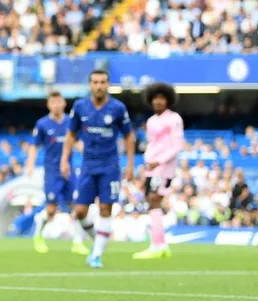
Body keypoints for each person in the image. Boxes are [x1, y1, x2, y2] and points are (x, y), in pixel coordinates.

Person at [61, 70, 136, 269]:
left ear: (108, 84)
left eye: (103, 82)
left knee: (105, 208)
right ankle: (99, 239)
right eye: (95, 82)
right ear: (90, 85)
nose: (99, 86)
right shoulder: (80, 107)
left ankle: (96, 255)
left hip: (110, 166)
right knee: (79, 211)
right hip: (87, 165)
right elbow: (70, 135)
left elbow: (129, 136)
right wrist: (64, 160)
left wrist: (130, 164)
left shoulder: (118, 108)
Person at [26, 91, 89, 255]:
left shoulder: (71, 122)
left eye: (58, 102)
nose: (56, 105)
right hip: (52, 170)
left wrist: (88, 153)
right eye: (52, 102)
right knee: (52, 209)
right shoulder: (43, 124)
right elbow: (34, 145)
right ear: (48, 105)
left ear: (64, 103)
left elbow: (77, 142)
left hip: (69, 169)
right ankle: (38, 234)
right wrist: (30, 164)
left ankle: (78, 242)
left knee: (76, 206)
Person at [133, 82, 183, 260]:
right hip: (151, 168)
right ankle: (161, 245)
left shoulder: (174, 119)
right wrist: (147, 163)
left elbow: (177, 145)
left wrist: (159, 162)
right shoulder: (151, 121)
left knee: (154, 200)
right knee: (151, 201)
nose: (158, 101)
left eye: (161, 98)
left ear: (168, 100)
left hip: (164, 168)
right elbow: (152, 145)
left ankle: (156, 245)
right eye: (155, 98)